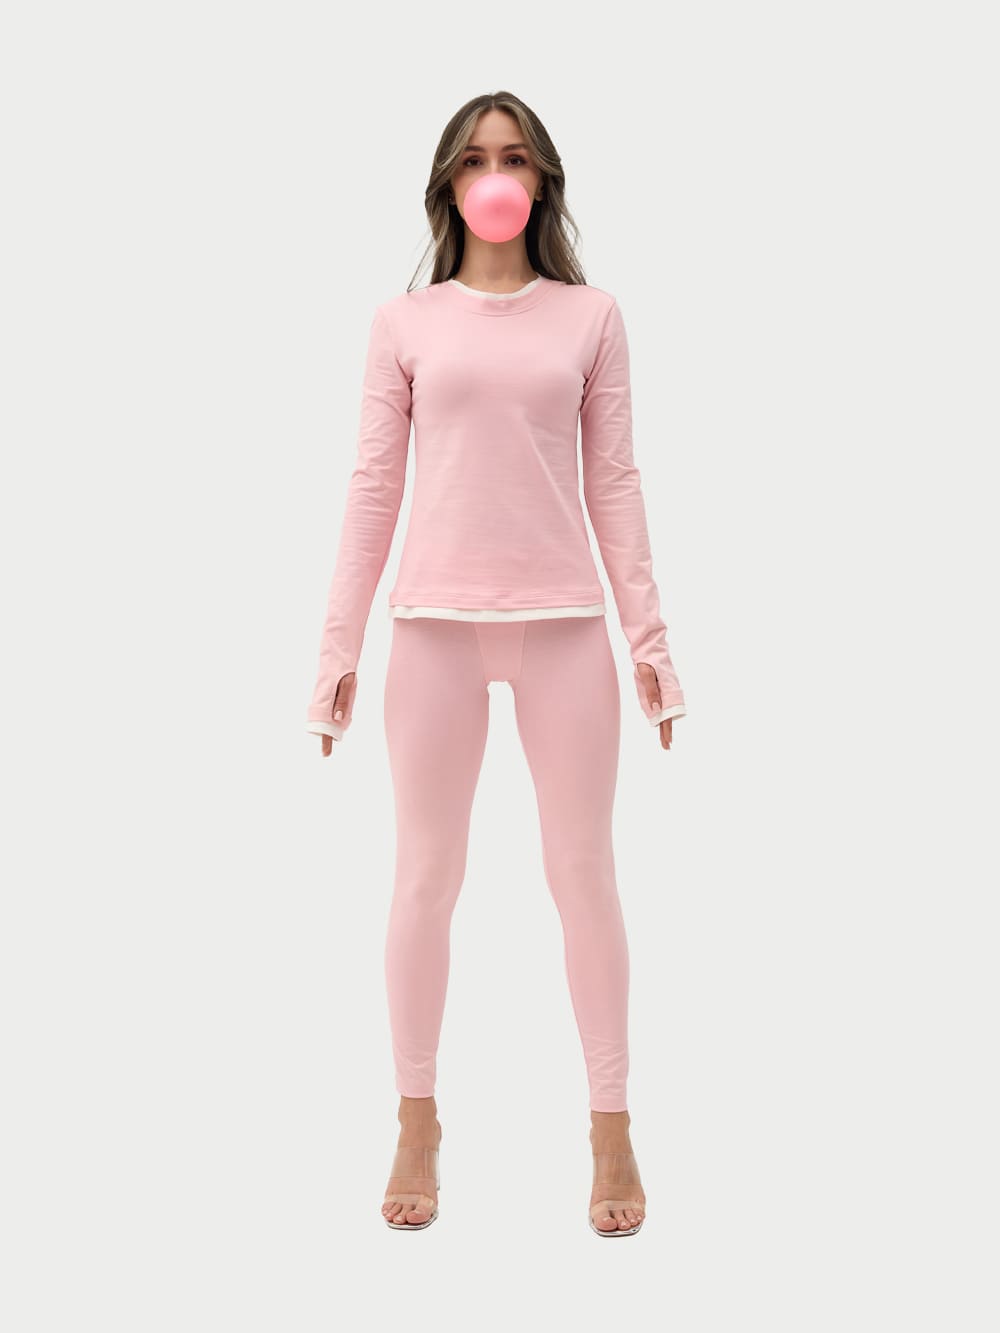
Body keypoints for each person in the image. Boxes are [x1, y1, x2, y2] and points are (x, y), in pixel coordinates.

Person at [305, 91, 687, 1236]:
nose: (496, 175)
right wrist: (336, 645)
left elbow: (615, 481)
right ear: (450, 184)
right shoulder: (404, 322)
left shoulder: (592, 316)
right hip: (432, 624)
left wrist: (650, 640)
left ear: (541, 180)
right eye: (476, 158)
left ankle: (610, 1125)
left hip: (564, 622)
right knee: (425, 876)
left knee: (584, 874)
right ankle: (416, 1118)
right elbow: (373, 485)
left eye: (514, 156)